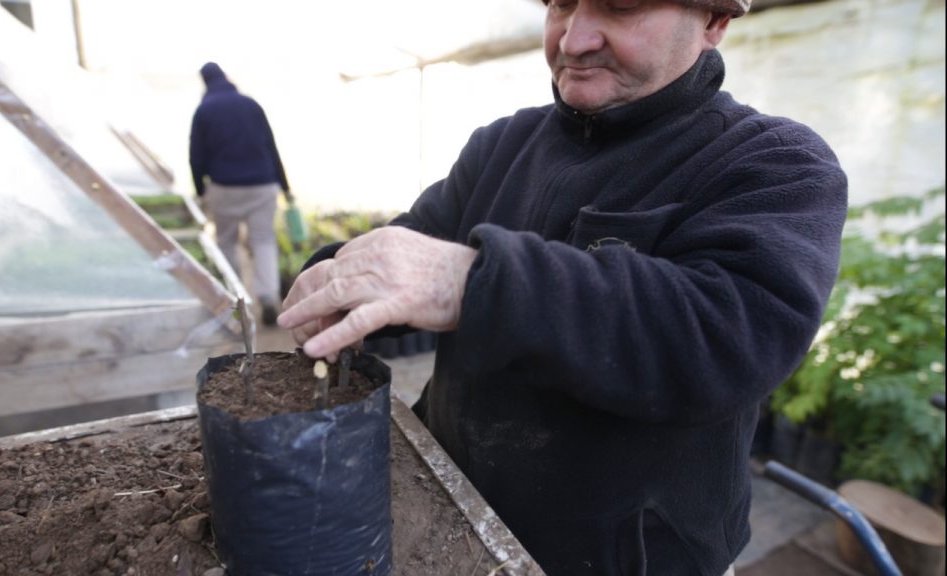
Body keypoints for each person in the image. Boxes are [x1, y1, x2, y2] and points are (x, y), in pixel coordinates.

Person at [279, 0, 848, 572]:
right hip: (452, 508)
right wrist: (346, 275)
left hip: (632, 554)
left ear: (714, 21)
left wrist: (471, 282)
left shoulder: (775, 164)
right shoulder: (502, 144)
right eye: (560, 5)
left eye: (619, 8)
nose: (573, 40)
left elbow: (729, 334)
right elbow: (419, 239)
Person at [190, 61, 291, 325]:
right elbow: (271, 145)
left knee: (227, 242)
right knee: (263, 241)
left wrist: (201, 190)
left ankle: (237, 301)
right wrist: (285, 186)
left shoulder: (204, 110)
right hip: (262, 185)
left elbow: (196, 155)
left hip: (225, 188)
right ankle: (268, 296)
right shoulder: (250, 104)